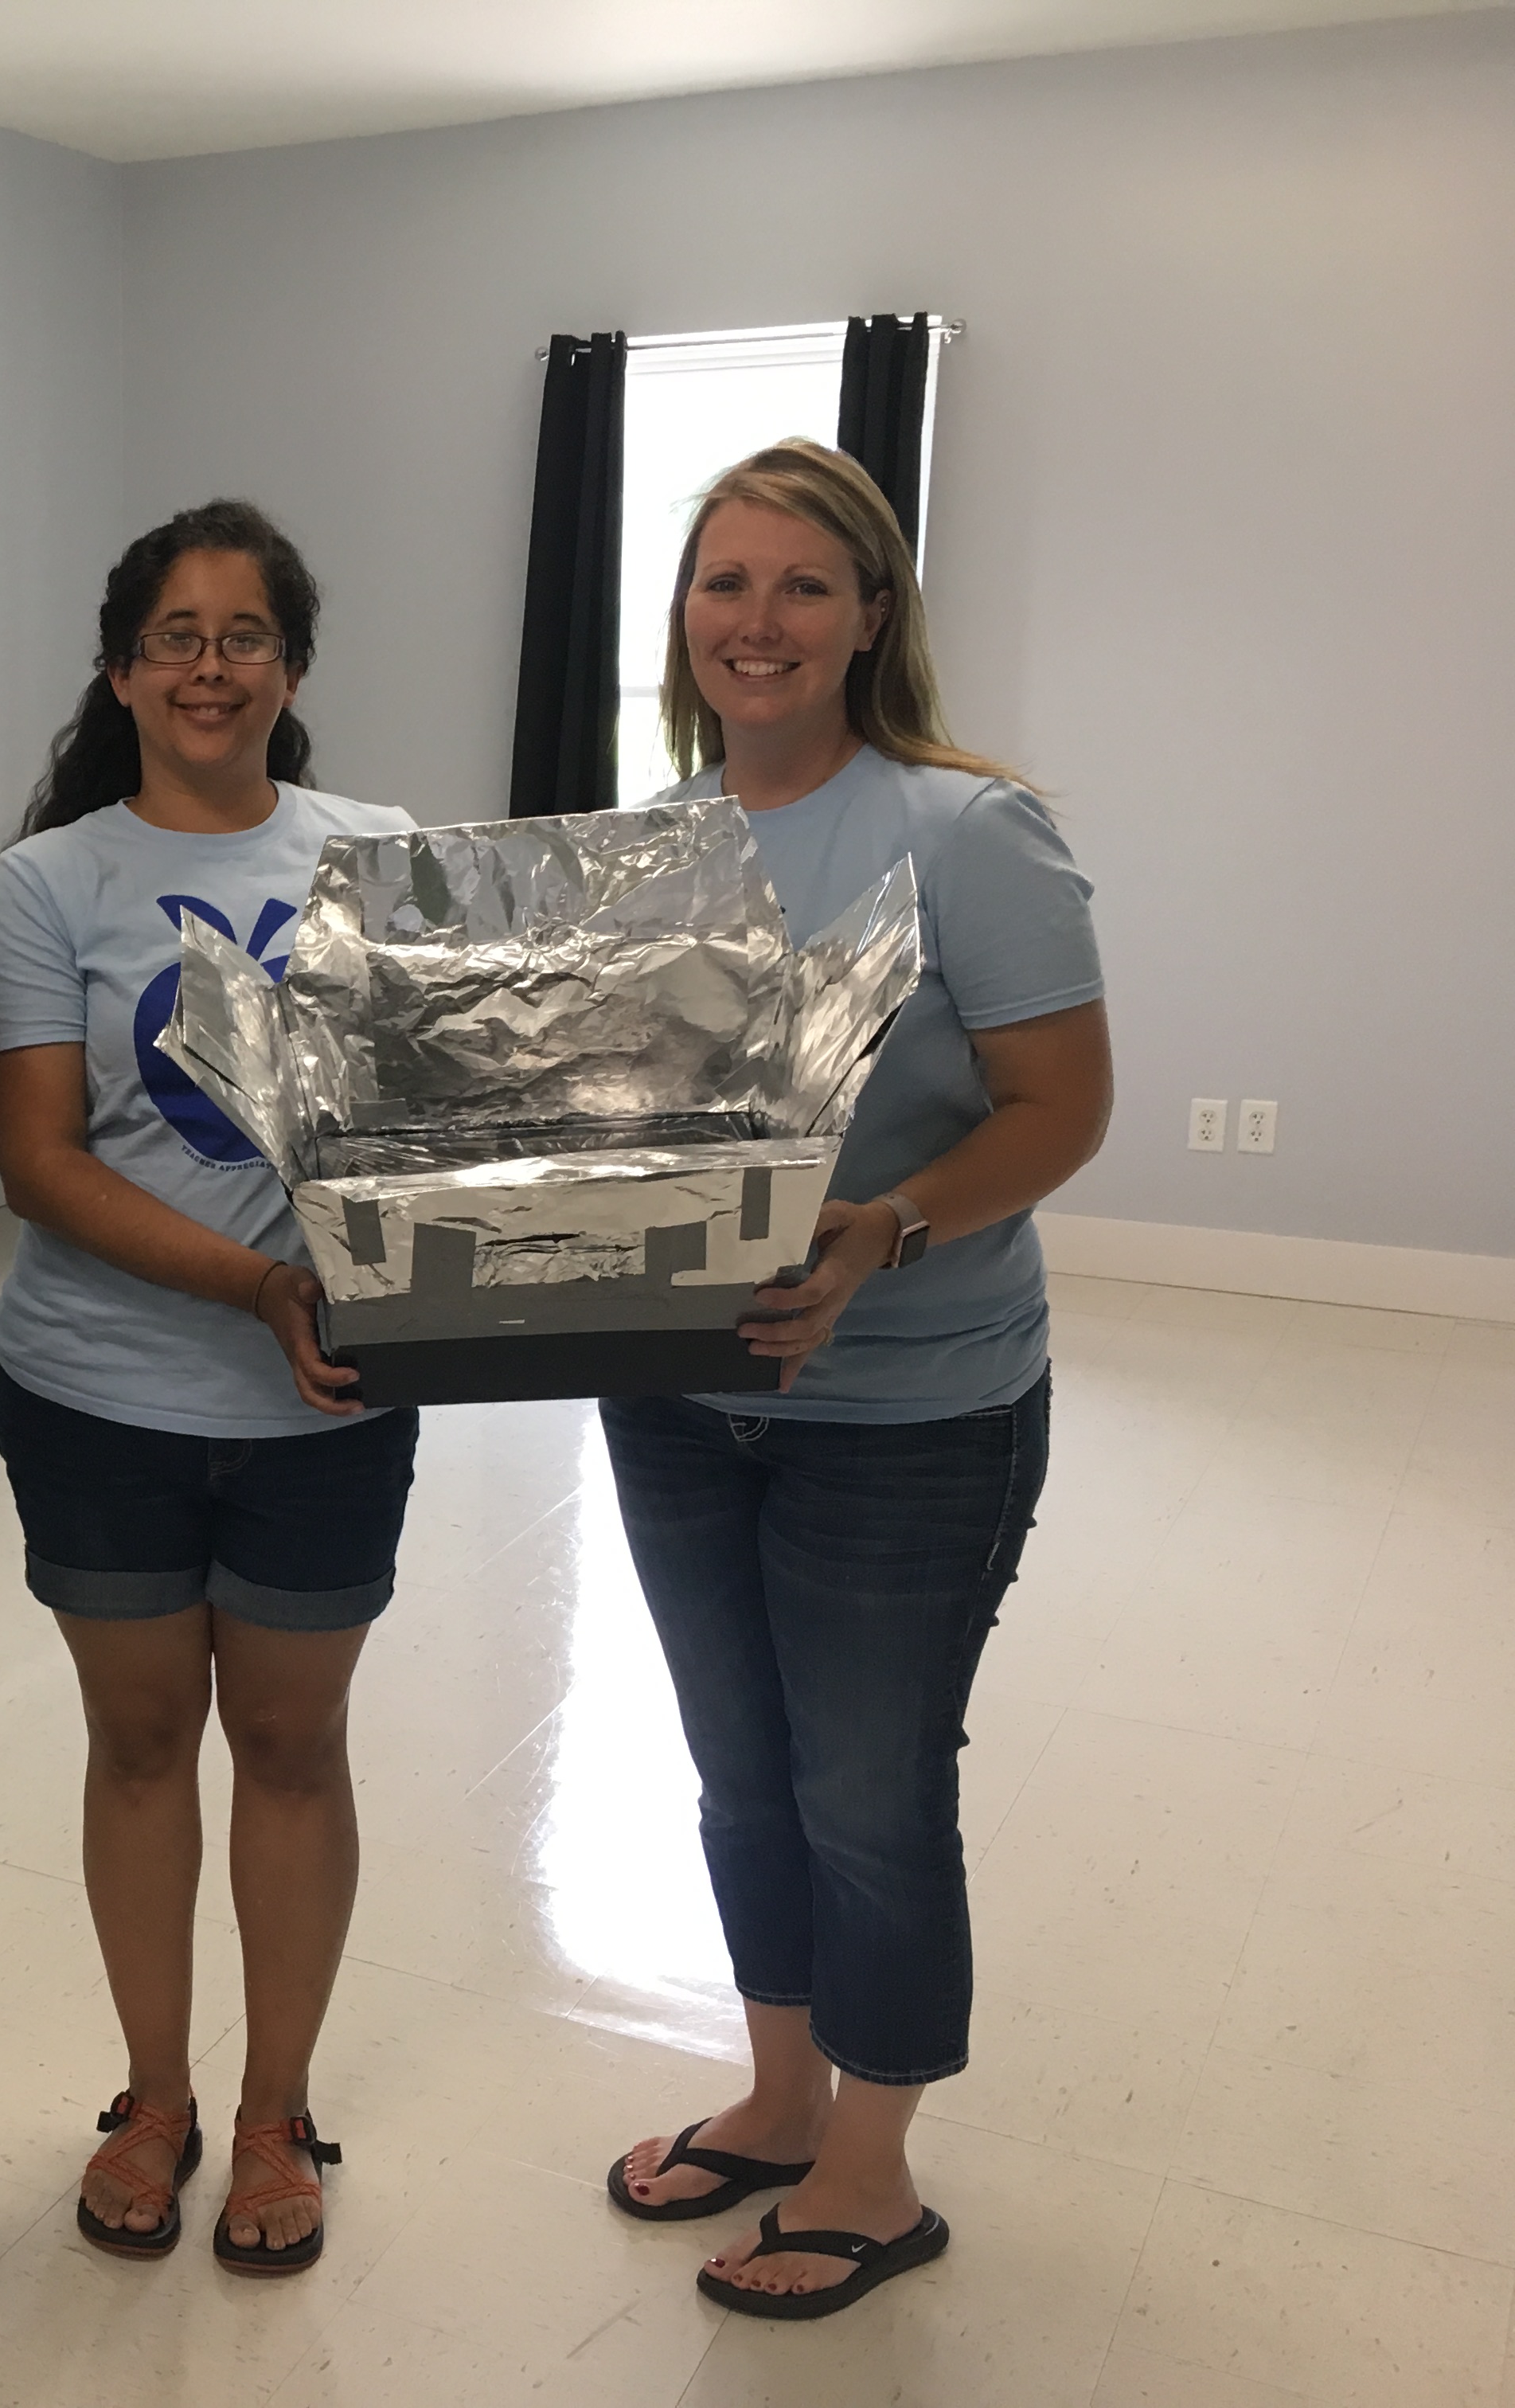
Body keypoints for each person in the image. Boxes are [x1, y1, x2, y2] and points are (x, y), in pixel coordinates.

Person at [598, 440, 1111, 2320]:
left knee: (870, 1789)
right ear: (684, 614)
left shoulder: (969, 833)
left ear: (873, 614)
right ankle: (780, 2091)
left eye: (804, 586)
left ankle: (874, 2171)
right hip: (676, 1392)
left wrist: (885, 1230)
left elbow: (1067, 1111)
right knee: (742, 1775)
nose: (759, 623)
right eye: (726, 583)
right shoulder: (653, 842)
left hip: (915, 1410)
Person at [0, 501, 420, 2277]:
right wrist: (257, 1283)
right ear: (122, 666)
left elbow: (431, 1126)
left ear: (289, 667)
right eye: (176, 634)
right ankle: (153, 2100)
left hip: (327, 1413)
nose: (209, 666)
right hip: (100, 1401)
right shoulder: (46, 883)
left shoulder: (375, 859)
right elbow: (42, 1165)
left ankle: (271, 2114)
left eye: (243, 635)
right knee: (144, 1743)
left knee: (296, 1753)